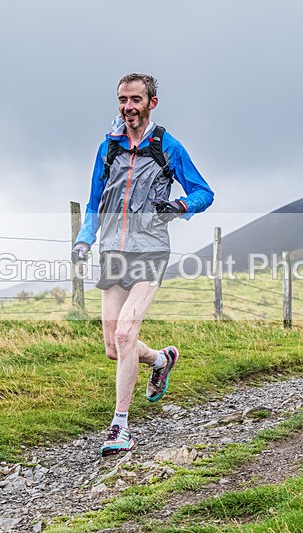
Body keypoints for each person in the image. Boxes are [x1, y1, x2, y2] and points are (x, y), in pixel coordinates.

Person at [72, 73, 214, 455]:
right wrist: (84, 239)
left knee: (124, 334)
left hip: (151, 249)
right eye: (123, 99)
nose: (128, 107)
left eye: (136, 99)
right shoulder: (108, 148)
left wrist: (180, 206)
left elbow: (204, 192)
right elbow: (93, 200)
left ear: (152, 102)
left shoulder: (167, 147)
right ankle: (162, 359)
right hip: (112, 252)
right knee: (113, 347)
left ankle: (119, 428)